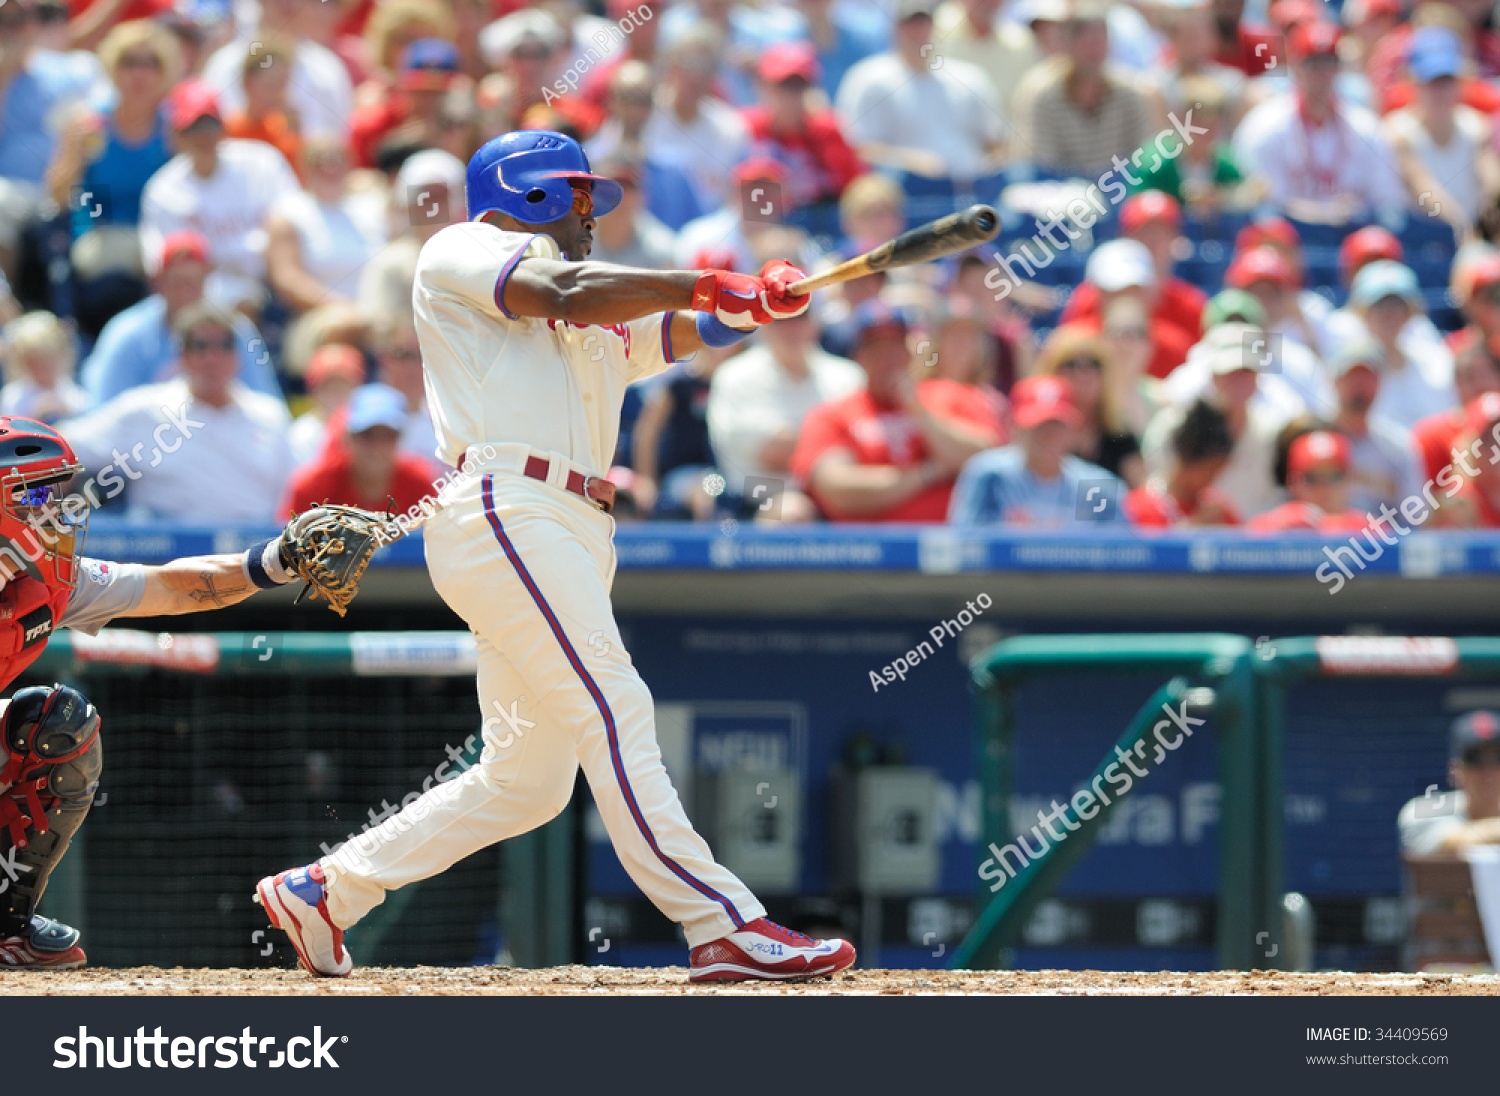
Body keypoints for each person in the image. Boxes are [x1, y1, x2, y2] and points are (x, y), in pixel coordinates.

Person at [254, 129, 857, 983]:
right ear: (531, 190)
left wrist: (749, 306)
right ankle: (718, 922)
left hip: (569, 522)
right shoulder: (465, 250)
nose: (590, 214)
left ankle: (327, 889)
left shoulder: (588, 314)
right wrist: (702, 278)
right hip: (507, 505)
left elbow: (664, 336)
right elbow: (567, 291)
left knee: (528, 779)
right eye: (580, 195)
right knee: (616, 705)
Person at [0, 416, 336, 967]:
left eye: (57, 491)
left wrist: (277, 562)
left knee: (60, 725)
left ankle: (4, 925)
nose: (58, 509)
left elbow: (170, 587)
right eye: (37, 493)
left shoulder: (50, 577)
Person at [58, 301, 295, 521]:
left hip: (254, 551)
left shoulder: (270, 414)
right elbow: (64, 443)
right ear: (181, 355)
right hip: (167, 555)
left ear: (237, 356)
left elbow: (294, 492)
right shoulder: (146, 409)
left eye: (224, 345)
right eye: (200, 346)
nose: (213, 357)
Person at [793, 301, 1004, 521]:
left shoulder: (948, 394)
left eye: (895, 347)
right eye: (877, 349)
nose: (889, 359)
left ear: (910, 353)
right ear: (859, 357)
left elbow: (987, 461)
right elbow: (838, 489)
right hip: (868, 548)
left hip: (951, 544)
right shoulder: (833, 414)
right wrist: (927, 472)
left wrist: (919, 412)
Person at [137, 78, 300, 311]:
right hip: (203, 295)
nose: (203, 136)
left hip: (273, 283)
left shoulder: (262, 163)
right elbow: (159, 263)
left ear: (223, 128)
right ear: (175, 136)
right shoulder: (164, 189)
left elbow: (296, 223)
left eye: (209, 126)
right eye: (192, 128)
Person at [77, 231, 280, 406]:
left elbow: (265, 402)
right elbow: (103, 410)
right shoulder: (125, 334)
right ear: (156, 282)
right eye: (176, 282)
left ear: (207, 280)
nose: (185, 293)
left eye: (193, 281)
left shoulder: (237, 331)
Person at [1232, 20, 1408, 223]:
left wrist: (1357, 211)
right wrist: (1314, 212)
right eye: (1313, 63)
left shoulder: (1366, 128)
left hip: (1350, 238)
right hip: (1286, 238)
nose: (1322, 73)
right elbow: (1256, 202)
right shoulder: (1264, 126)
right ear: (1295, 65)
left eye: (1329, 62)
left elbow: (1388, 203)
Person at [708, 299, 864, 517]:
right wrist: (834, 441)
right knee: (792, 511)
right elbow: (773, 455)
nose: (792, 327)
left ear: (815, 323)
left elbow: (868, 446)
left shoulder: (848, 375)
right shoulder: (735, 376)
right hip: (756, 503)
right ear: (763, 324)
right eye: (780, 318)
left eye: (800, 316)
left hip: (840, 498)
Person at [835, 0, 1005, 179]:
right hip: (909, 193)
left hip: (972, 188)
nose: (918, 32)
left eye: (924, 23)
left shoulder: (970, 78)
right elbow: (856, 147)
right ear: (894, 29)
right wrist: (909, 161)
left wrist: (990, 167)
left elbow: (996, 143)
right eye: (910, 25)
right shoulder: (869, 79)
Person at [948, 374, 1120, 526]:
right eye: (1038, 426)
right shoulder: (991, 477)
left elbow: (1122, 551)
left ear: (1073, 430)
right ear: (1015, 428)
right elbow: (966, 544)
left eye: (1057, 425)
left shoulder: (1096, 487)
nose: (1049, 436)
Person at [1014, 0, 1153, 179]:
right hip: (1062, 194)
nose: (1093, 52)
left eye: (1099, 42)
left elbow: (1143, 156)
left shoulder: (1129, 94)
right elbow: (1041, 163)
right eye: (1086, 43)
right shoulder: (1044, 95)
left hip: (1119, 188)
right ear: (1068, 46)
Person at [1383, 25, 1500, 234]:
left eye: (1447, 80)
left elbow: (1491, 181)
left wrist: (1490, 208)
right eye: (1431, 81)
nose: (1440, 91)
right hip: (1420, 241)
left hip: (1469, 239)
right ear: (1413, 82)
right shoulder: (1398, 132)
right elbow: (1424, 189)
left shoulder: (1476, 127)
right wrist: (1464, 227)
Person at [1058, 191, 1206, 341]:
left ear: (1176, 238)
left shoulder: (1190, 304)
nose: (1153, 240)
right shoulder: (1089, 297)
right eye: (1143, 231)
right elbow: (1066, 350)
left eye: (1161, 231)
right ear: (1125, 235)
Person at [264, 138, 385, 315]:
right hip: (321, 315)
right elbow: (287, 278)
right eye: (319, 162)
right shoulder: (289, 213)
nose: (330, 168)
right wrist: (347, 310)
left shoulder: (372, 207)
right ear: (304, 168)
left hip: (379, 313)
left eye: (337, 160)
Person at [741, 43, 864, 214]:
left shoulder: (828, 131)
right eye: (783, 85)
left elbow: (857, 190)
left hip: (825, 222)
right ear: (762, 86)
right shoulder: (745, 129)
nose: (791, 95)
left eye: (799, 86)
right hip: (769, 221)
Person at [283, 384, 435, 515]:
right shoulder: (311, 487)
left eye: (388, 436)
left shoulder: (421, 484)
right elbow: (286, 542)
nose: (377, 447)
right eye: (367, 435)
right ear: (349, 437)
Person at [639, 25, 748, 209]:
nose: (696, 77)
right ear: (672, 68)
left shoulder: (730, 128)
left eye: (706, 68)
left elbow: (735, 199)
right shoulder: (642, 112)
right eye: (690, 65)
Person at [1347, 260, 1458, 431]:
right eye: (1379, 305)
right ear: (1362, 312)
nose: (1388, 314)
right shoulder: (1346, 367)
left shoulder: (1434, 360)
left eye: (1397, 305)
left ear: (1410, 312)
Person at [1033, 323, 1143, 485]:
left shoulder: (1119, 435)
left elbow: (1139, 490)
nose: (1083, 374)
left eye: (1093, 364)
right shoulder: (1037, 428)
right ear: (1052, 369)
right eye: (1072, 364)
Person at [1327, 338, 1421, 515]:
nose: (1360, 385)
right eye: (1352, 377)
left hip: (1379, 540)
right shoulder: (1312, 437)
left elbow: (1413, 517)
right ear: (1335, 381)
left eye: (1368, 377)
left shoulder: (1398, 447)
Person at [1124, 397, 1241, 526]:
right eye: (1211, 469)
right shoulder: (1138, 508)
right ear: (1187, 459)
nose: (1215, 477)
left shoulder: (1218, 509)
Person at [1399, 712, 1500, 853]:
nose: (1488, 771)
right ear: (1456, 770)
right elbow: (1448, 844)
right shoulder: (1425, 810)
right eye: (1475, 759)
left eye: (1498, 758)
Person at [1245, 429, 1371, 531]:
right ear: (1292, 482)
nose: (1324, 488)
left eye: (1335, 477)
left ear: (1350, 479)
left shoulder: (1370, 530)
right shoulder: (1272, 524)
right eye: (1311, 478)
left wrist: (1326, 525)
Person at [586, 159, 676, 270]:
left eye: (630, 187)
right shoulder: (575, 237)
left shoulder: (661, 249)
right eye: (614, 186)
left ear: (643, 197)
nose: (623, 197)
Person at [0, 311, 88, 422]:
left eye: (50, 359)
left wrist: (66, 410)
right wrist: (36, 417)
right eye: (36, 362)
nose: (45, 368)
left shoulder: (70, 391)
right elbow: (10, 430)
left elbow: (87, 419)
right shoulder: (14, 397)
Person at [288, 343, 365, 466]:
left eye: (343, 386)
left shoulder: (371, 429)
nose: (336, 394)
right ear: (313, 392)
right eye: (328, 387)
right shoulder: (301, 434)